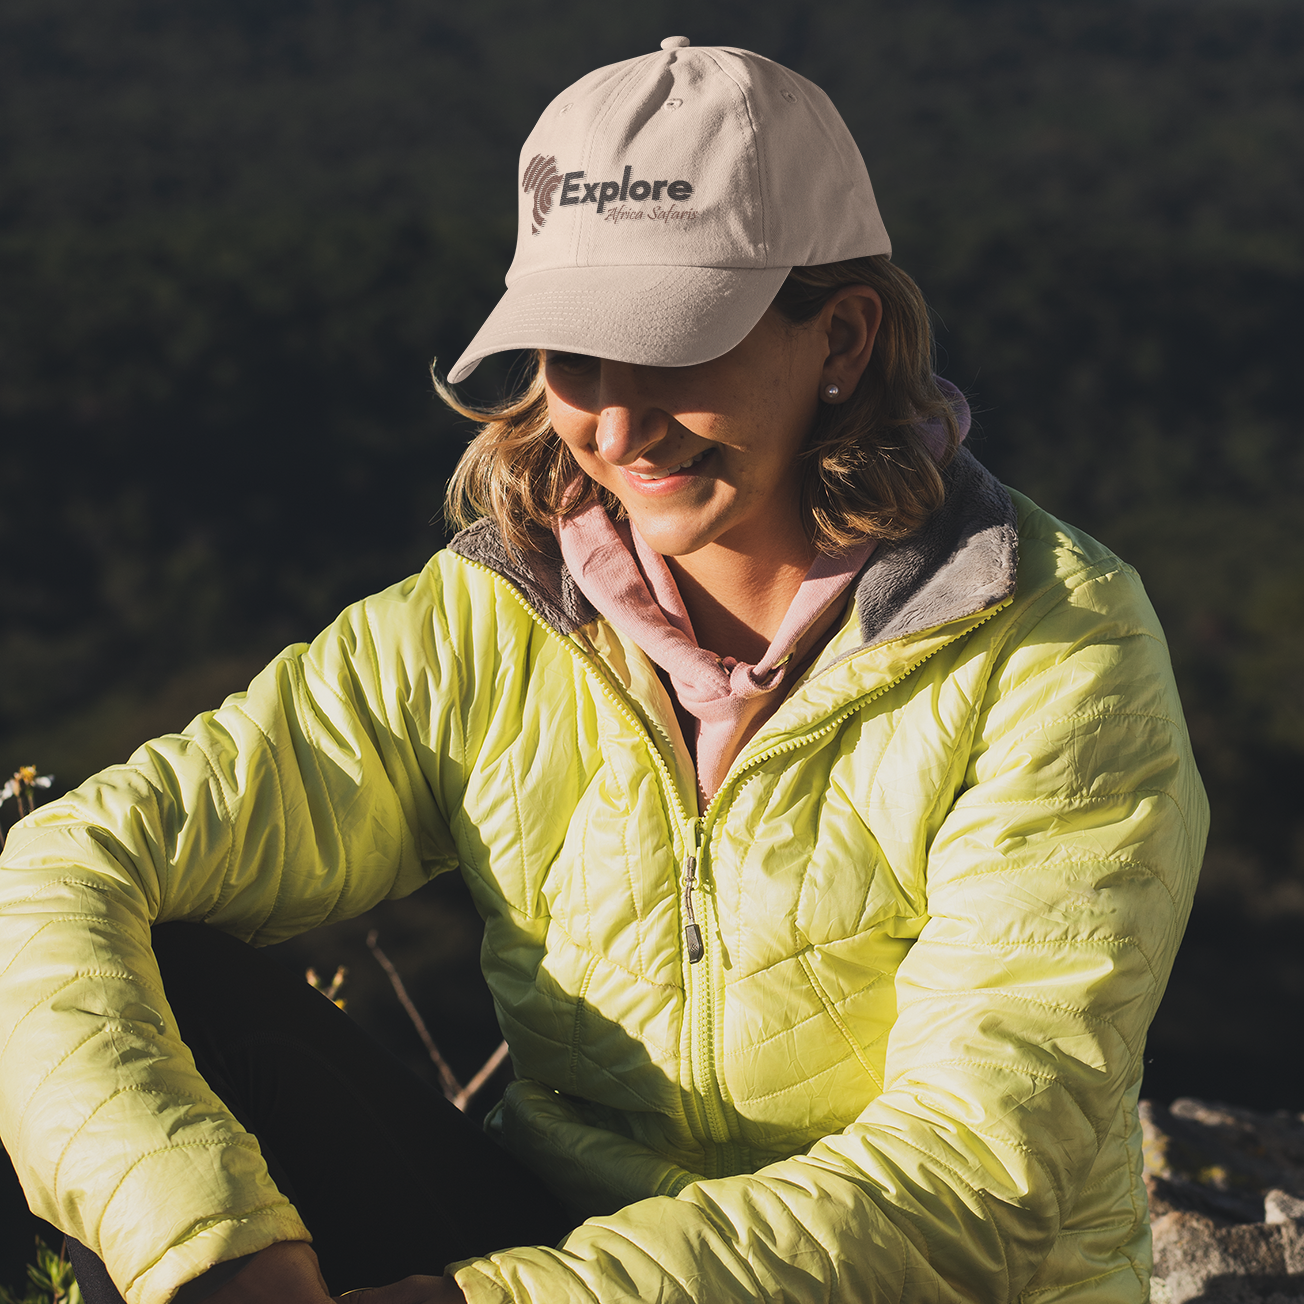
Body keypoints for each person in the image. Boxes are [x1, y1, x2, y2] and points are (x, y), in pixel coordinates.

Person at [0, 36, 1206, 1304]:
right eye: (571, 356)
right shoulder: (498, 617)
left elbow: (972, 1179)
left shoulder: (1054, 649)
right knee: (131, 965)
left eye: (675, 345)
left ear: (841, 334)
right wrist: (216, 1258)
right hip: (549, 1244)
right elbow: (63, 864)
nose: (616, 427)